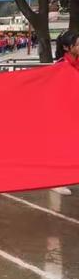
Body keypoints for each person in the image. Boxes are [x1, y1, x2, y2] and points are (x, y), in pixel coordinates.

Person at [51, 30, 79, 196]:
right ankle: (56, 180)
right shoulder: (61, 66)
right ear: (67, 47)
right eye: (77, 44)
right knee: (61, 147)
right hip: (63, 114)